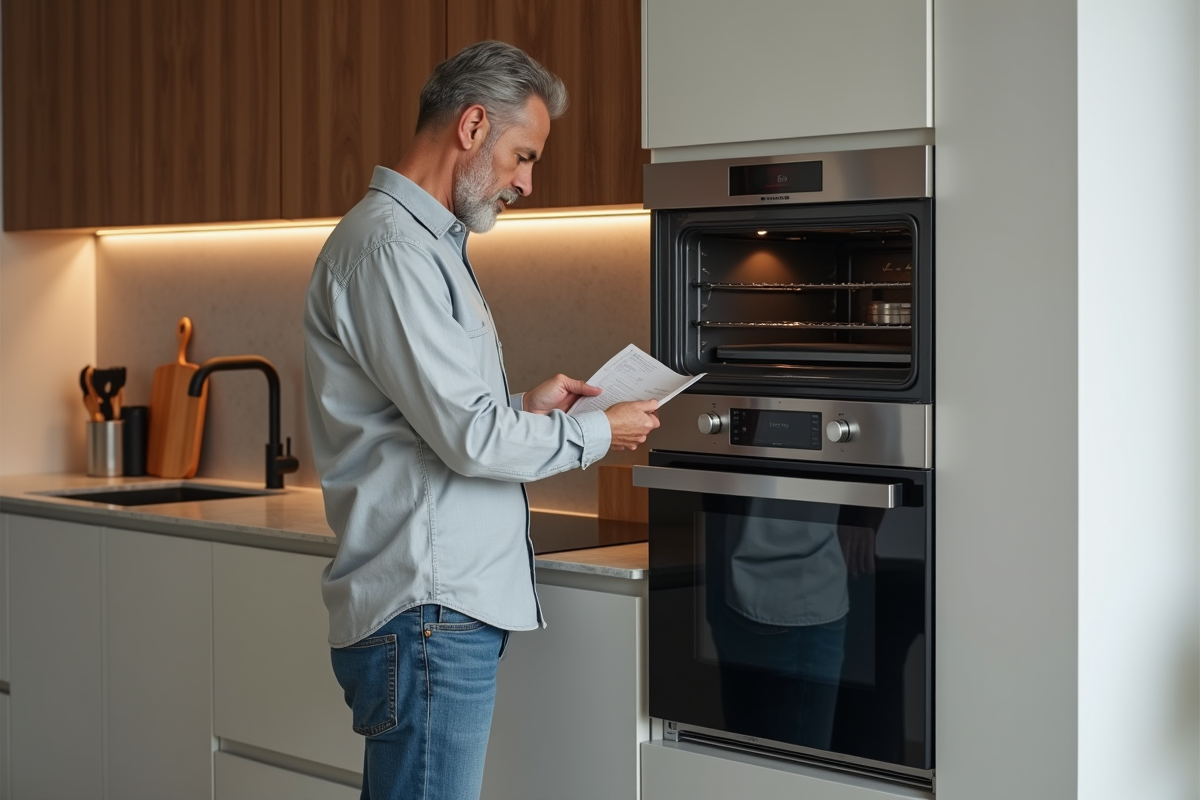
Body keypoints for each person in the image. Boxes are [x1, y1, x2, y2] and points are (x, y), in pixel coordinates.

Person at [301, 40, 660, 800]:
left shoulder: (426, 246)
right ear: (471, 127)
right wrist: (602, 432)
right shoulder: (392, 250)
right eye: (522, 156)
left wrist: (524, 408)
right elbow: (470, 440)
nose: (527, 182)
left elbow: (448, 420)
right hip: (428, 611)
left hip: (436, 612)